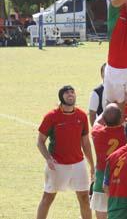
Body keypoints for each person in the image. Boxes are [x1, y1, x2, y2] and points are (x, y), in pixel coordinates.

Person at [36, 86, 94, 219]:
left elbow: (85, 143)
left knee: (85, 198)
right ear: (61, 97)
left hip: (78, 165)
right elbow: (40, 141)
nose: (70, 94)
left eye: (72, 92)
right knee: (48, 198)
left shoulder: (81, 116)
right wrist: (48, 158)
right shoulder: (51, 116)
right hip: (57, 165)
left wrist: (91, 165)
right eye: (67, 93)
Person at [90, 104, 126, 219]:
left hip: (101, 179)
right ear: (121, 119)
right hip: (121, 179)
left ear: (105, 119)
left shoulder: (97, 133)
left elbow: (96, 122)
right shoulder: (126, 132)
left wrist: (106, 105)